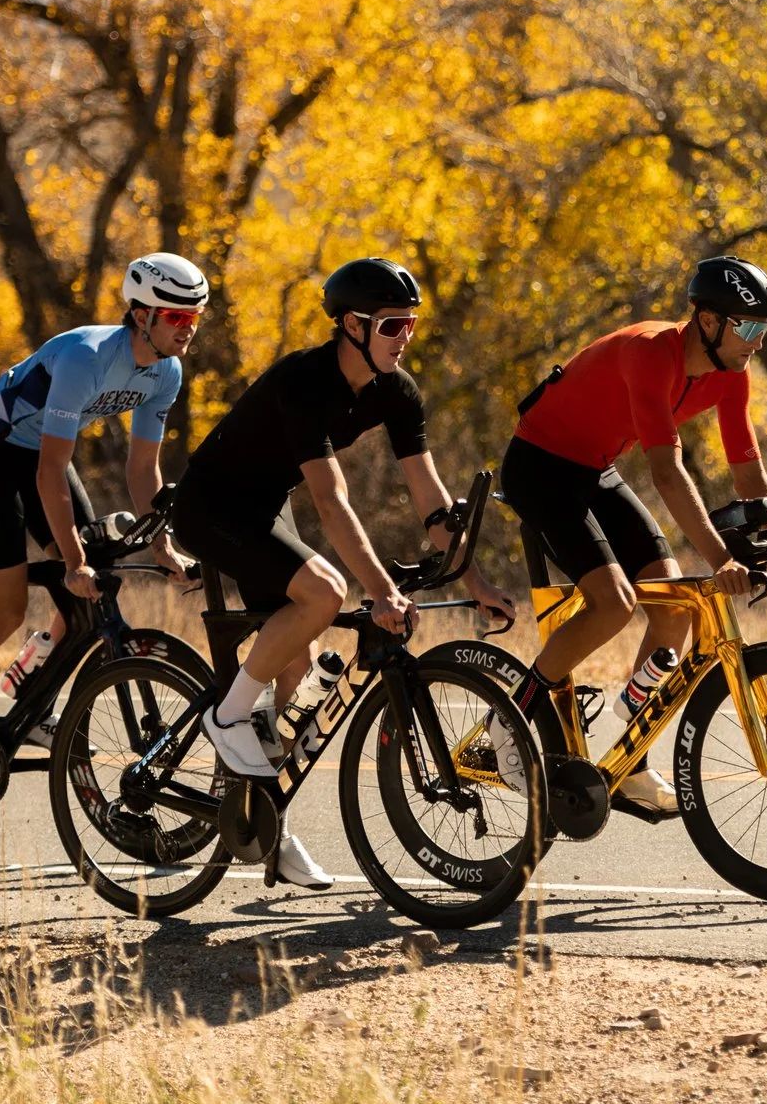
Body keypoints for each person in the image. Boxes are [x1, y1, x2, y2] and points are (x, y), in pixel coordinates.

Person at [171, 257, 517, 889]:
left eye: (410, 325)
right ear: (351, 326)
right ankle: (225, 717)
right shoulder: (304, 382)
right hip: (210, 504)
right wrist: (379, 590)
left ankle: (265, 822)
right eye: (391, 326)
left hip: (263, 504)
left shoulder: (396, 391)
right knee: (326, 593)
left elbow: (430, 499)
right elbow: (331, 504)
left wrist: (476, 583)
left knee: (297, 665)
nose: (404, 337)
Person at [496, 255, 767, 813]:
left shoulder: (732, 376)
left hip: (593, 468)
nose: (757, 343)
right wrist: (722, 556)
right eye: (748, 328)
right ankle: (509, 723)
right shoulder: (652, 353)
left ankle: (629, 755)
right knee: (612, 604)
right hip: (540, 466)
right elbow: (666, 472)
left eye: (764, 330)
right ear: (708, 322)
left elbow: (750, 475)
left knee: (675, 608)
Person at [0, 254, 201, 754]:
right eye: (178, 317)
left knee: (88, 591)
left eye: (195, 317)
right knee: (7, 609)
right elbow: (50, 468)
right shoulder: (86, 356)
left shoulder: (166, 373)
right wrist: (72, 561)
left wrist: (164, 547)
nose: (189, 329)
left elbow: (143, 470)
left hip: (43, 457)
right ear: (143, 315)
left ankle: (32, 696)